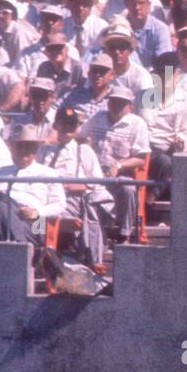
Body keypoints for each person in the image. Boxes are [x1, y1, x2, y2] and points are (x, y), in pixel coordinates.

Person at [39, 108, 112, 266]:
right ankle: (41, 254)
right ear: (55, 125)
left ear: (76, 128)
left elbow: (97, 183)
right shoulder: (44, 151)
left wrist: (70, 186)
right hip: (44, 197)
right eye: (62, 124)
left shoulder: (83, 151)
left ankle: (50, 256)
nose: (66, 129)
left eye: (71, 126)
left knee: (46, 215)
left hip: (71, 200)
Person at [78, 84, 150, 243]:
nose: (116, 105)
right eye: (113, 101)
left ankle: (124, 234)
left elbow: (141, 158)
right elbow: (80, 137)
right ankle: (83, 237)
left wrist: (119, 166)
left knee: (129, 189)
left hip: (120, 173)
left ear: (129, 106)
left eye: (121, 102)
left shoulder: (137, 124)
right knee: (76, 187)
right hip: (94, 173)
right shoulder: (97, 118)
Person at [0, 123, 64, 246]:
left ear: (35, 150)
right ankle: (18, 250)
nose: (24, 150)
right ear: (12, 148)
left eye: (29, 146)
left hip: (36, 222)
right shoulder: (0, 172)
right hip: (0, 217)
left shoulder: (48, 173)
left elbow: (60, 205)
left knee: (0, 206)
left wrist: (37, 212)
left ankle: (18, 250)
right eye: (20, 146)